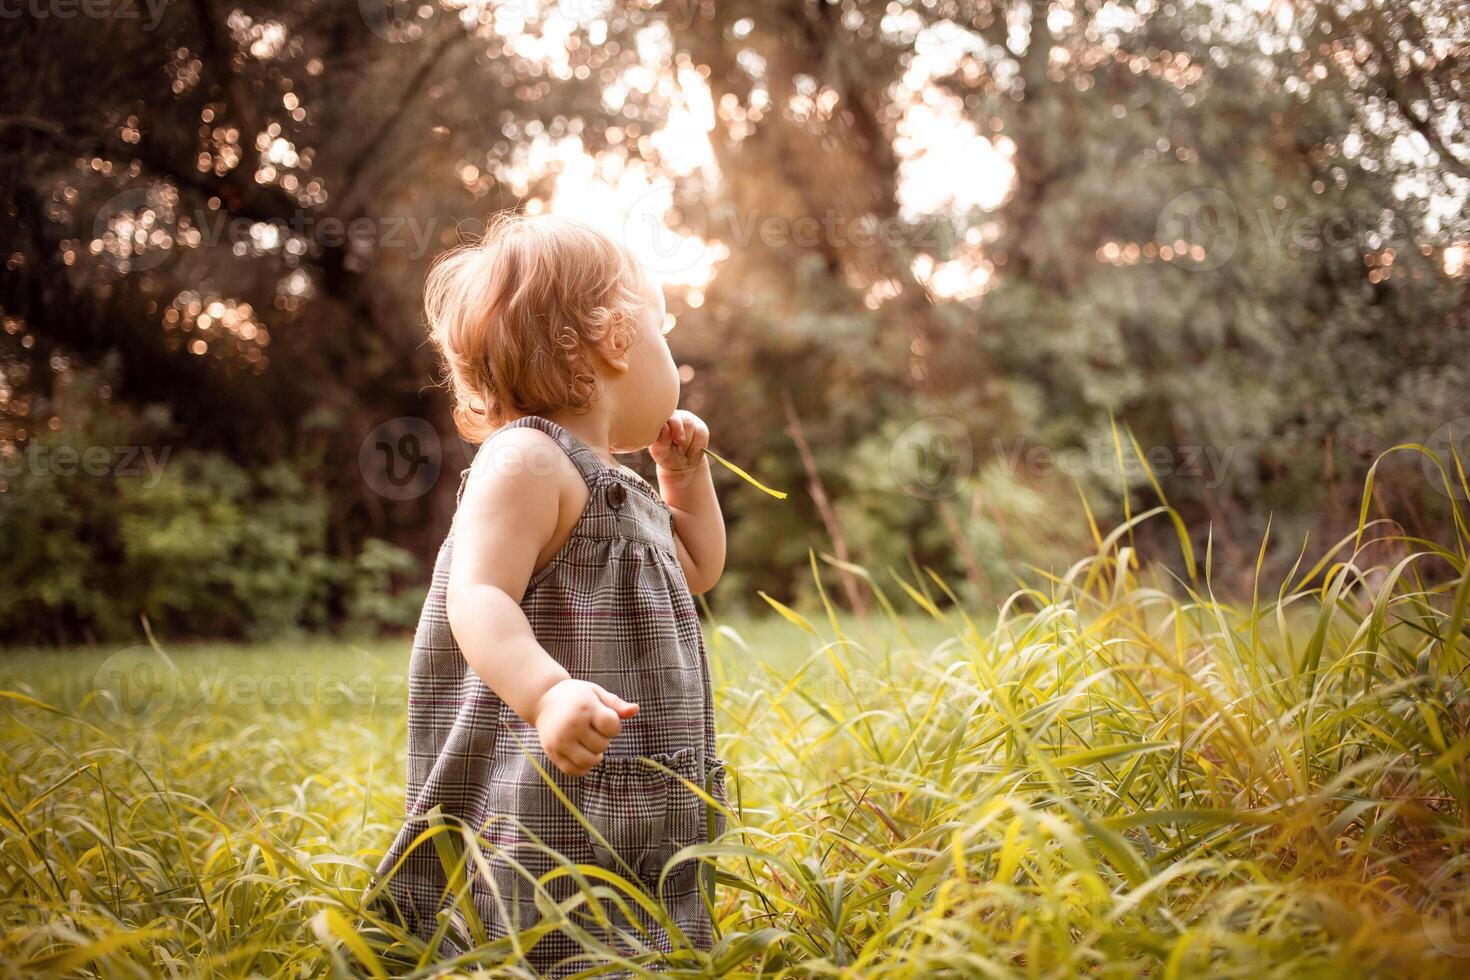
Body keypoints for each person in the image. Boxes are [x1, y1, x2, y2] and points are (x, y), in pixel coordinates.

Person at [372, 213, 729, 975]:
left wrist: (686, 480)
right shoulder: (526, 461)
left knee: (636, 908)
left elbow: (696, 568)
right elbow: (479, 597)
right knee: (541, 917)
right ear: (616, 339)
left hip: (639, 769)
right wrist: (545, 694)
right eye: (664, 331)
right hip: (541, 767)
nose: (676, 360)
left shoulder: (622, 487)